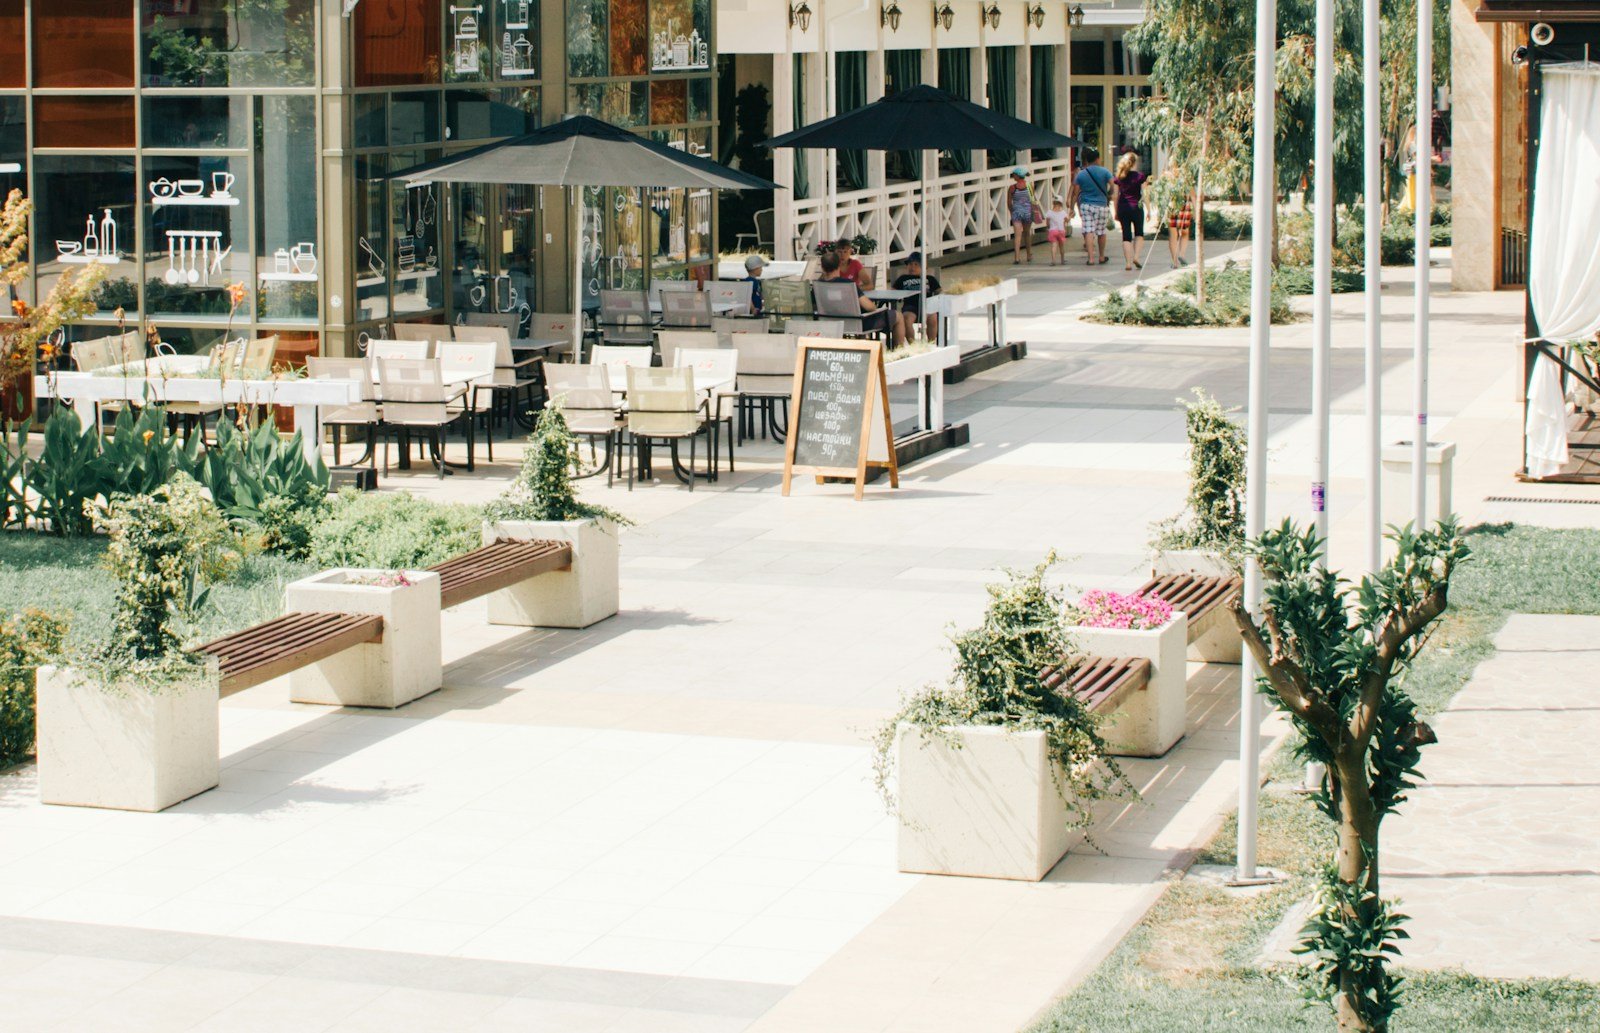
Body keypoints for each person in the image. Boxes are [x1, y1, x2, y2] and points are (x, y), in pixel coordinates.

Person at [820, 250, 901, 346]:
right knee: (898, 315)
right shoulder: (847, 284)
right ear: (839, 265)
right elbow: (870, 307)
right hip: (857, 323)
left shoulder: (818, 286)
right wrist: (876, 308)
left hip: (831, 324)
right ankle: (899, 352)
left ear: (822, 267)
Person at [1067, 147, 1115, 266]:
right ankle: (1102, 256)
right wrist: (1109, 194)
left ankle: (1091, 258)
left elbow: (1076, 192)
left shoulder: (1081, 174)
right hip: (1101, 205)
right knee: (1101, 231)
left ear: (1087, 160)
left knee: (1088, 231)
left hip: (1086, 205)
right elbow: (1112, 185)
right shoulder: (1105, 172)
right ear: (1098, 159)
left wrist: (1072, 207)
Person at [891, 251, 942, 343]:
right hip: (910, 305)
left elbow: (939, 291)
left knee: (933, 318)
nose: (912, 267)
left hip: (927, 304)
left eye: (916, 265)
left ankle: (931, 343)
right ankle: (913, 345)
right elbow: (893, 291)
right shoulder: (903, 278)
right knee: (906, 319)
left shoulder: (929, 278)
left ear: (924, 267)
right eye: (910, 264)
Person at [1114, 150, 1149, 271]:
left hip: (1123, 207)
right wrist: (1149, 209)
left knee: (1126, 236)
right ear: (1135, 163)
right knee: (1139, 233)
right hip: (1137, 207)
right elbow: (1145, 194)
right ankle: (1136, 257)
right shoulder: (1140, 176)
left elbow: (1115, 196)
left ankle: (1128, 263)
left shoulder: (1119, 177)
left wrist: (1116, 211)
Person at [1005, 167, 1040, 264]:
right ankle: (1029, 254)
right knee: (1027, 233)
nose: (1013, 176)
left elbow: (1009, 203)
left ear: (1017, 176)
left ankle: (1017, 257)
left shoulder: (1012, 188)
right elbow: (1033, 199)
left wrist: (1012, 211)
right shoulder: (1030, 186)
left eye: (1014, 174)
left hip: (1016, 213)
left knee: (1017, 235)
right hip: (1027, 213)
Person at [1166, 187, 1193, 267]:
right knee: (1185, 233)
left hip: (1171, 206)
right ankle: (1181, 254)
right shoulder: (1186, 178)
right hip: (1184, 206)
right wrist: (1195, 209)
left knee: (1173, 235)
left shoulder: (1167, 175)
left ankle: (1175, 262)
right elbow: (1193, 195)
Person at [1044, 197, 1069, 266]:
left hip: (1052, 231)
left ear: (1053, 203)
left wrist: (1048, 227)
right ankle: (1062, 260)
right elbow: (1067, 220)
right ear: (1061, 204)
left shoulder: (1049, 212)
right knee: (1061, 246)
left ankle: (1053, 260)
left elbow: (1047, 222)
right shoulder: (1063, 212)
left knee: (1054, 246)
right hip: (1061, 231)